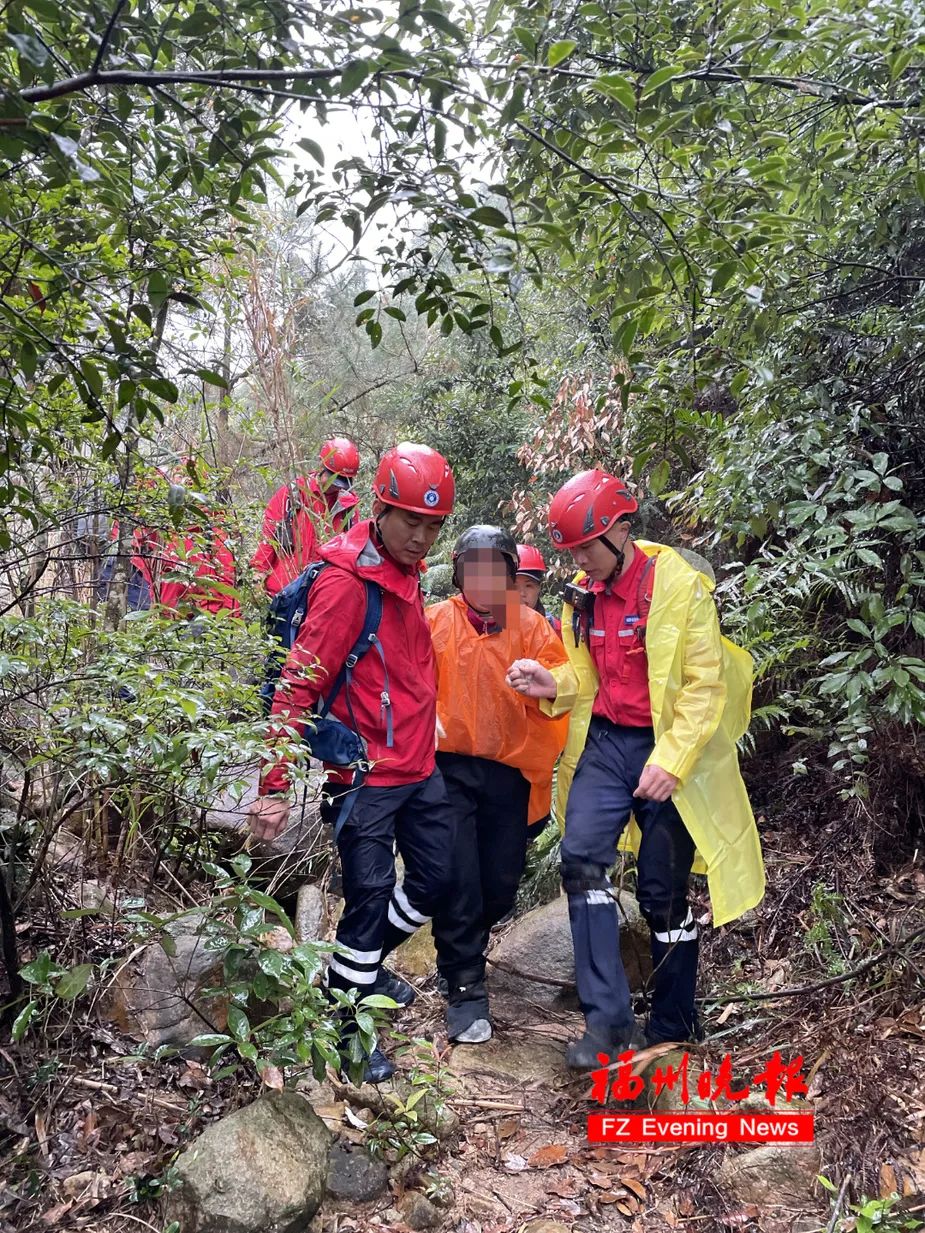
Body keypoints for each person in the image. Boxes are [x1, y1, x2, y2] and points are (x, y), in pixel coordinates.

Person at [248, 442, 456, 1082]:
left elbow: (400, 661)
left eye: (432, 525)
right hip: (365, 774)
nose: (421, 537)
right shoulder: (344, 583)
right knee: (366, 900)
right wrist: (273, 787)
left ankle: (354, 969)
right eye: (410, 521)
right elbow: (297, 689)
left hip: (419, 763)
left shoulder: (405, 570)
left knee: (436, 879)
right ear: (380, 508)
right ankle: (347, 1030)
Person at [544, 469, 765, 1069]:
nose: (581, 562)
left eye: (586, 547)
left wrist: (671, 761)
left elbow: (703, 685)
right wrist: (551, 683)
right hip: (607, 743)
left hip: (667, 746)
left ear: (618, 530)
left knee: (662, 892)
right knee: (583, 860)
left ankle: (673, 1020)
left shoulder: (678, 588)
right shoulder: (582, 598)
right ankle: (608, 1024)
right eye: (573, 553)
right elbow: (584, 678)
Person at [426, 526, 576, 1044]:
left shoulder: (529, 625)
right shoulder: (437, 622)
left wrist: (544, 684)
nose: (486, 581)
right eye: (476, 569)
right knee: (458, 874)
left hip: (511, 775)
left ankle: (462, 945)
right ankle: (465, 982)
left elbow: (566, 686)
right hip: (448, 772)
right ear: (460, 570)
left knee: (499, 883)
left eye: (498, 571)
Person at [252, 437, 361, 596]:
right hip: (282, 591)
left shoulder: (348, 507)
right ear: (321, 467)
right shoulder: (293, 494)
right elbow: (269, 534)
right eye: (333, 479)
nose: (336, 486)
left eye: (343, 482)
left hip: (319, 595)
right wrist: (258, 572)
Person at [514, 543, 561, 636]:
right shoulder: (486, 629)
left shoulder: (554, 629)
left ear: (539, 588)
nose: (521, 594)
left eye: (528, 586)